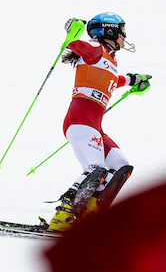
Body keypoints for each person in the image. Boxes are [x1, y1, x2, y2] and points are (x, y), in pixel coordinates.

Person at [48, 12, 151, 232]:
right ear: (109, 31)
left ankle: (91, 214)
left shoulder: (110, 61)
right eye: (121, 30)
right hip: (80, 120)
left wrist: (135, 80)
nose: (124, 35)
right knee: (96, 169)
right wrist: (72, 35)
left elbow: (116, 79)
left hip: (93, 125)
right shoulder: (96, 50)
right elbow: (80, 47)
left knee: (121, 166)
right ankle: (63, 216)